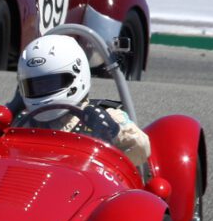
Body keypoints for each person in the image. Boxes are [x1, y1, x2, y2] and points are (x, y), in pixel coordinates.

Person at [14, 33, 150, 166]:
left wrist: (113, 131)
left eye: (50, 83)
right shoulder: (25, 123)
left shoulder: (110, 118)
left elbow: (142, 149)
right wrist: (10, 111)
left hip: (93, 184)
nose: (42, 90)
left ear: (76, 75)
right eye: (34, 86)